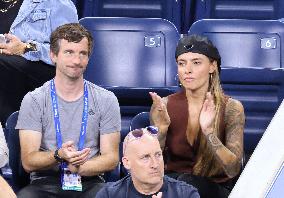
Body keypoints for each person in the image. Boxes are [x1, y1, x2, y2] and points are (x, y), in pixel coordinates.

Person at [15, 23, 121, 198]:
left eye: (82, 53)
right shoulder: (34, 100)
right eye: (69, 52)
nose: (76, 61)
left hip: (90, 181)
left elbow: (111, 158)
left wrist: (80, 167)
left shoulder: (106, 99)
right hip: (45, 182)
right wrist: (59, 155)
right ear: (53, 55)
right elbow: (28, 161)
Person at [149, 35, 245, 198]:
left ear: (212, 66)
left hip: (214, 188)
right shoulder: (163, 106)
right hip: (172, 185)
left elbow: (233, 168)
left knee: (186, 184)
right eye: (182, 63)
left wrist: (209, 133)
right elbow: (151, 163)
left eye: (196, 62)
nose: (187, 70)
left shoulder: (232, 108)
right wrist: (162, 131)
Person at [0, 0, 78, 125]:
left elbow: (71, 50)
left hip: (41, 69)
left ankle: (10, 133)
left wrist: (25, 48)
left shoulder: (58, 3)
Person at [96, 126, 200, 198]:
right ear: (127, 162)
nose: (155, 164)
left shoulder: (186, 194)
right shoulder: (108, 195)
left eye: (158, 155)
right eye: (145, 157)